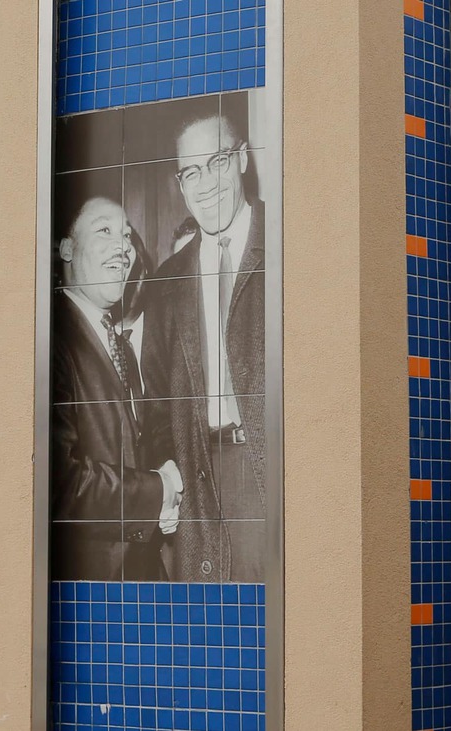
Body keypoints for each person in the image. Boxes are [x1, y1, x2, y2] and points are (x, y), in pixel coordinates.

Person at [139, 110, 268, 583]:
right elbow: (156, 402)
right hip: (196, 480)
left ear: (241, 159)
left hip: (270, 472)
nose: (205, 183)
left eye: (215, 162)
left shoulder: (291, 244)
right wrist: (170, 470)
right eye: (191, 172)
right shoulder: (166, 282)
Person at [50, 193, 184, 581]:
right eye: (104, 230)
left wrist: (167, 467)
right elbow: (60, 483)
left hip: (141, 576)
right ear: (67, 250)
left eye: (126, 235)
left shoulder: (121, 346)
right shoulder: (51, 339)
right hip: (91, 586)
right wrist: (158, 491)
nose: (123, 247)